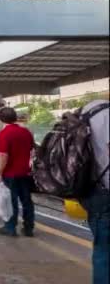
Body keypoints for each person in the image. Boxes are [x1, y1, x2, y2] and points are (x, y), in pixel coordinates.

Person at [78, 100, 109, 284]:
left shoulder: (85, 113)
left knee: (102, 248)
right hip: (106, 191)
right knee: (105, 250)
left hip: (91, 188)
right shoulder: (107, 115)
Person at [0, 107, 35, 237]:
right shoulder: (26, 132)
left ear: (0, 119)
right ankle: (28, 228)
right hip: (26, 173)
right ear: (15, 117)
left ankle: (10, 228)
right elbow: (32, 151)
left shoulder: (4, 134)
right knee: (27, 201)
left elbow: (4, 156)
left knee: (11, 201)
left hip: (10, 174)